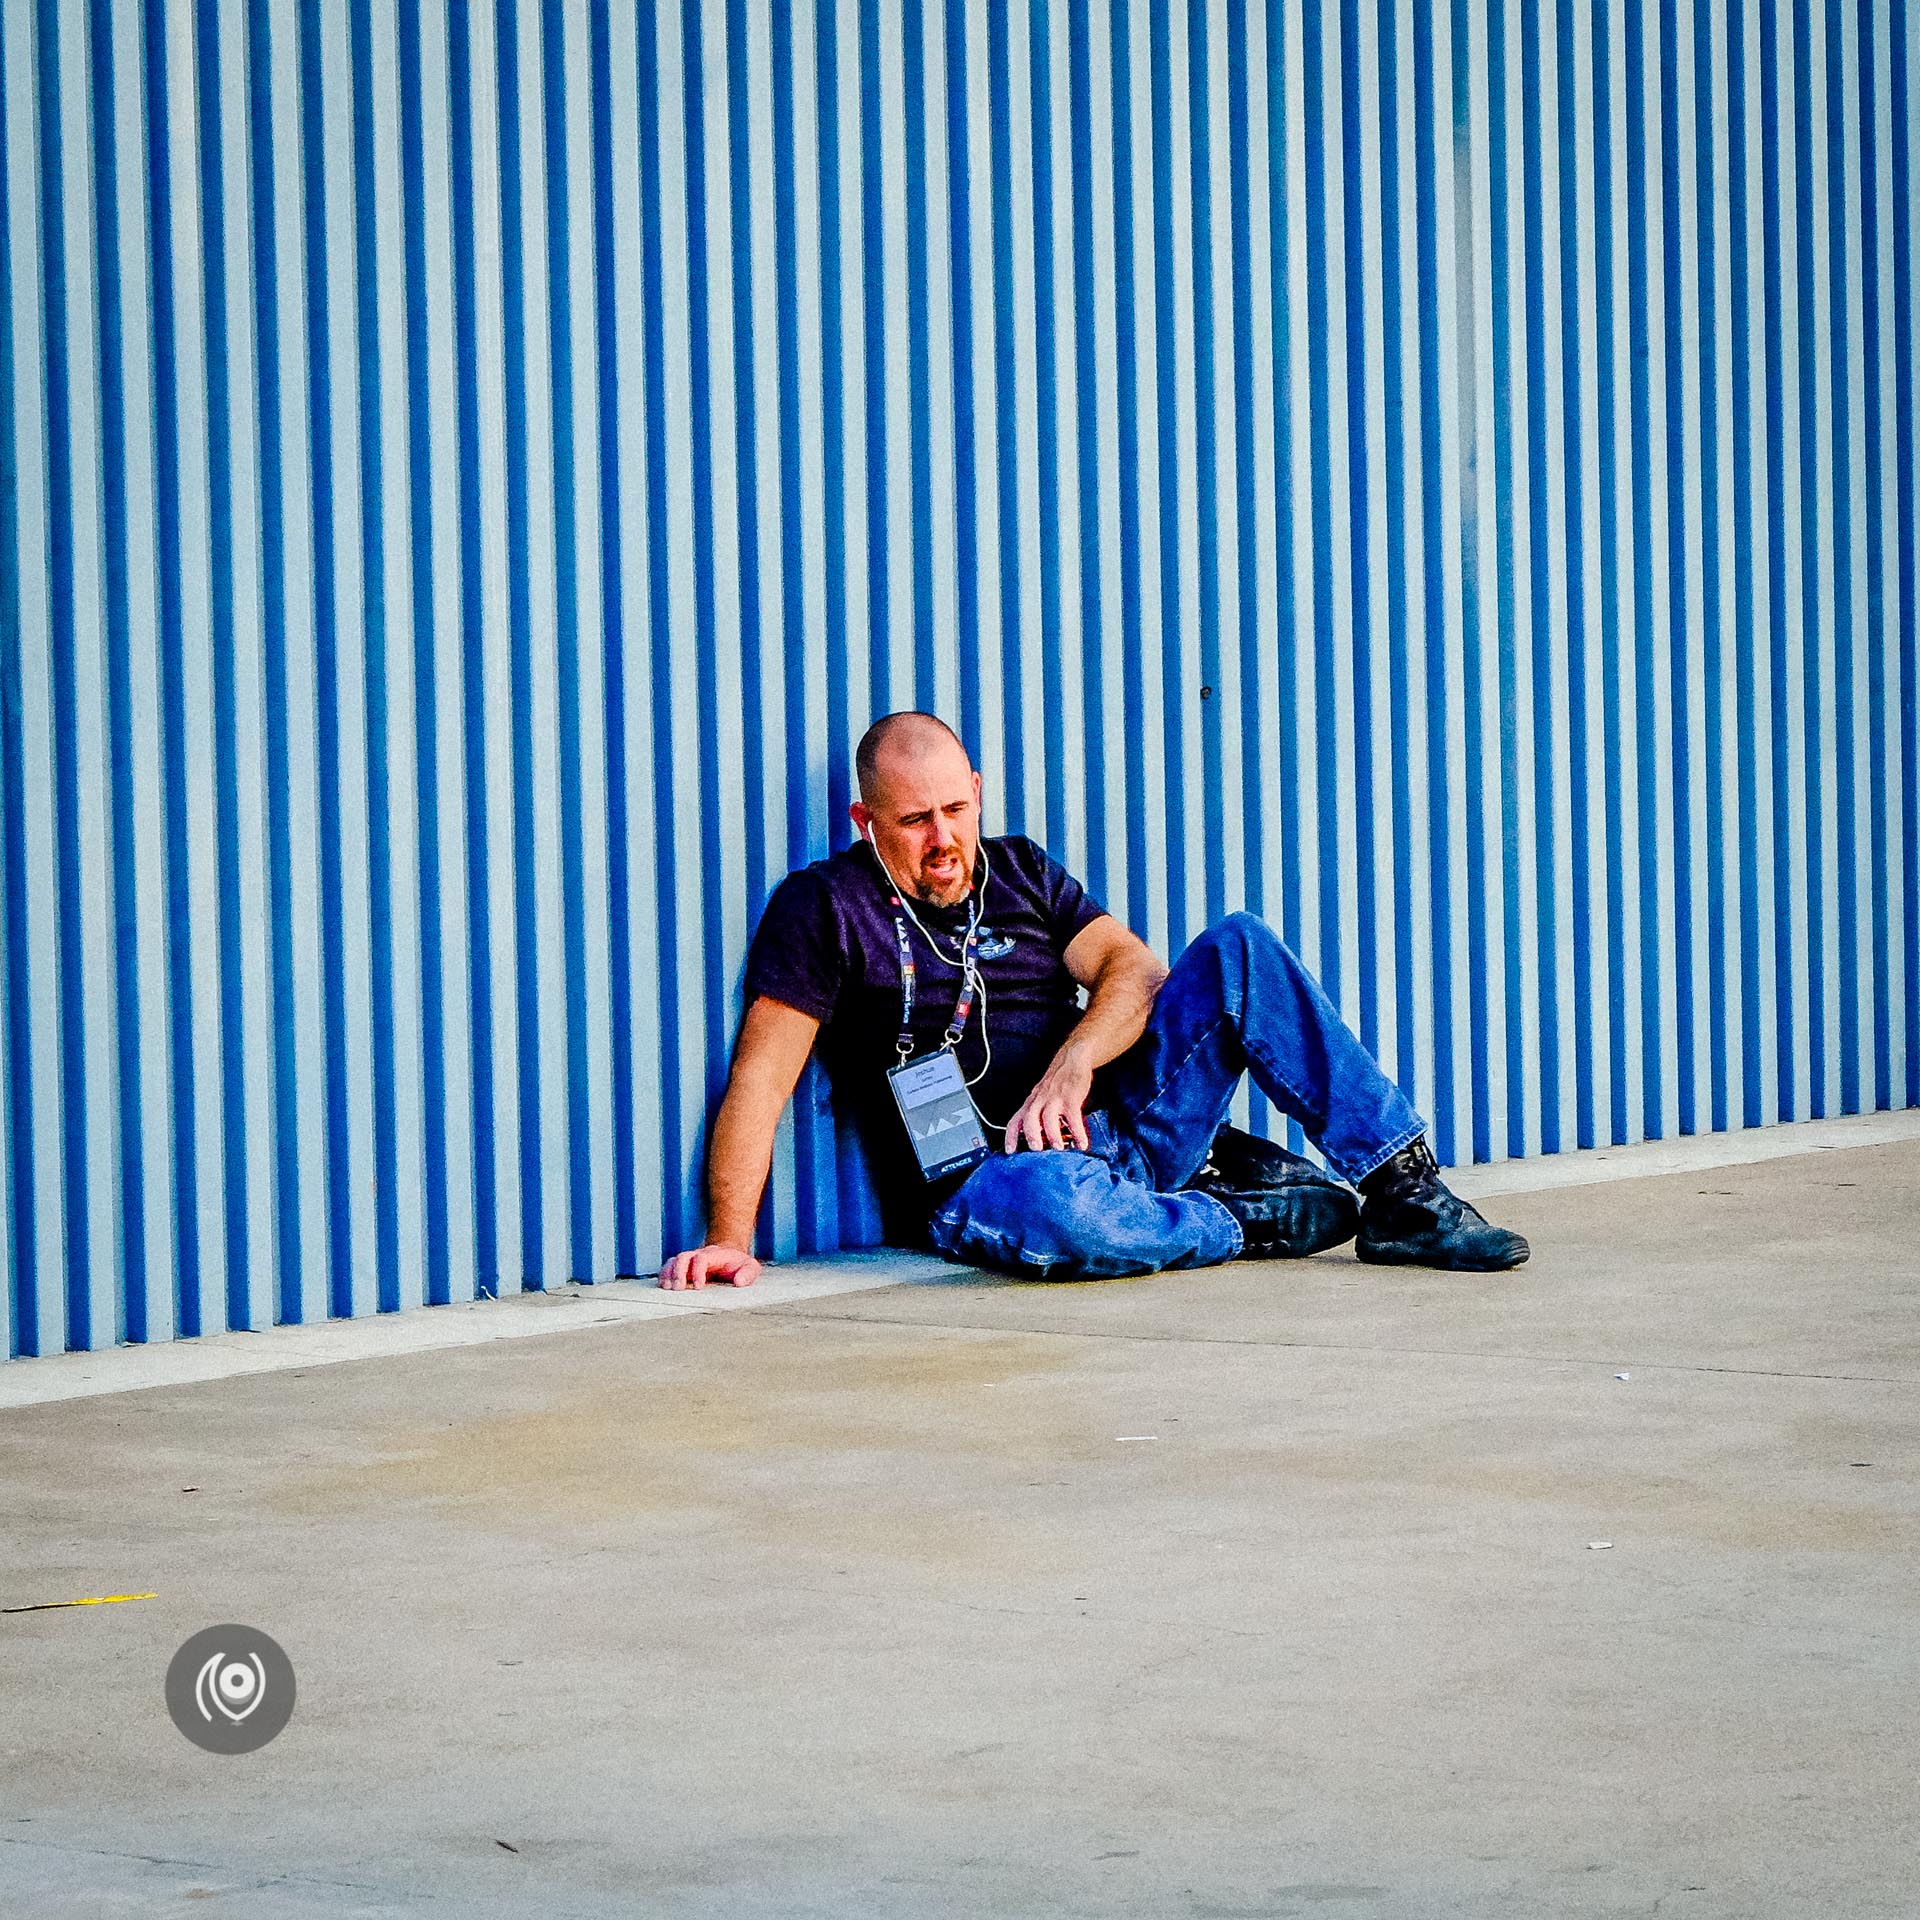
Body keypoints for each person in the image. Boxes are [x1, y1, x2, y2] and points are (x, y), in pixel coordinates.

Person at [658, 712, 1527, 1290]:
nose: (943, 838)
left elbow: (1133, 969)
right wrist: (731, 1238)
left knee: (1241, 948)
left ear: (979, 791)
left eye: (956, 809)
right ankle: (1244, 1211)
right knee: (1057, 1208)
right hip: (989, 1178)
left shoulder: (1023, 869)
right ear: (865, 820)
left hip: (1117, 1125)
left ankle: (1406, 1194)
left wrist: (1076, 1062)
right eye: (916, 821)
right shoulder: (824, 908)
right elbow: (760, 1083)